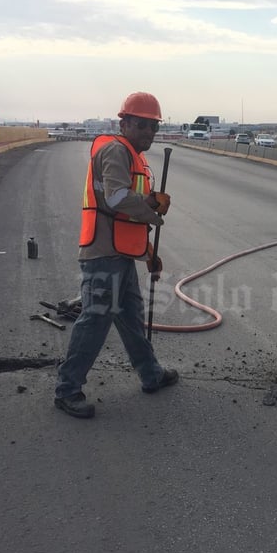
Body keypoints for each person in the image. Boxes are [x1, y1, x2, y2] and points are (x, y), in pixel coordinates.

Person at [54, 91, 177, 419]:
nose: (150, 132)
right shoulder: (115, 151)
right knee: (95, 319)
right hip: (102, 253)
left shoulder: (136, 157)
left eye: (154, 126)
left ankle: (151, 375)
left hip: (121, 253)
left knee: (131, 318)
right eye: (143, 125)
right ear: (125, 123)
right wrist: (152, 205)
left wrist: (148, 251)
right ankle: (67, 390)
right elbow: (117, 199)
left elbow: (129, 215)